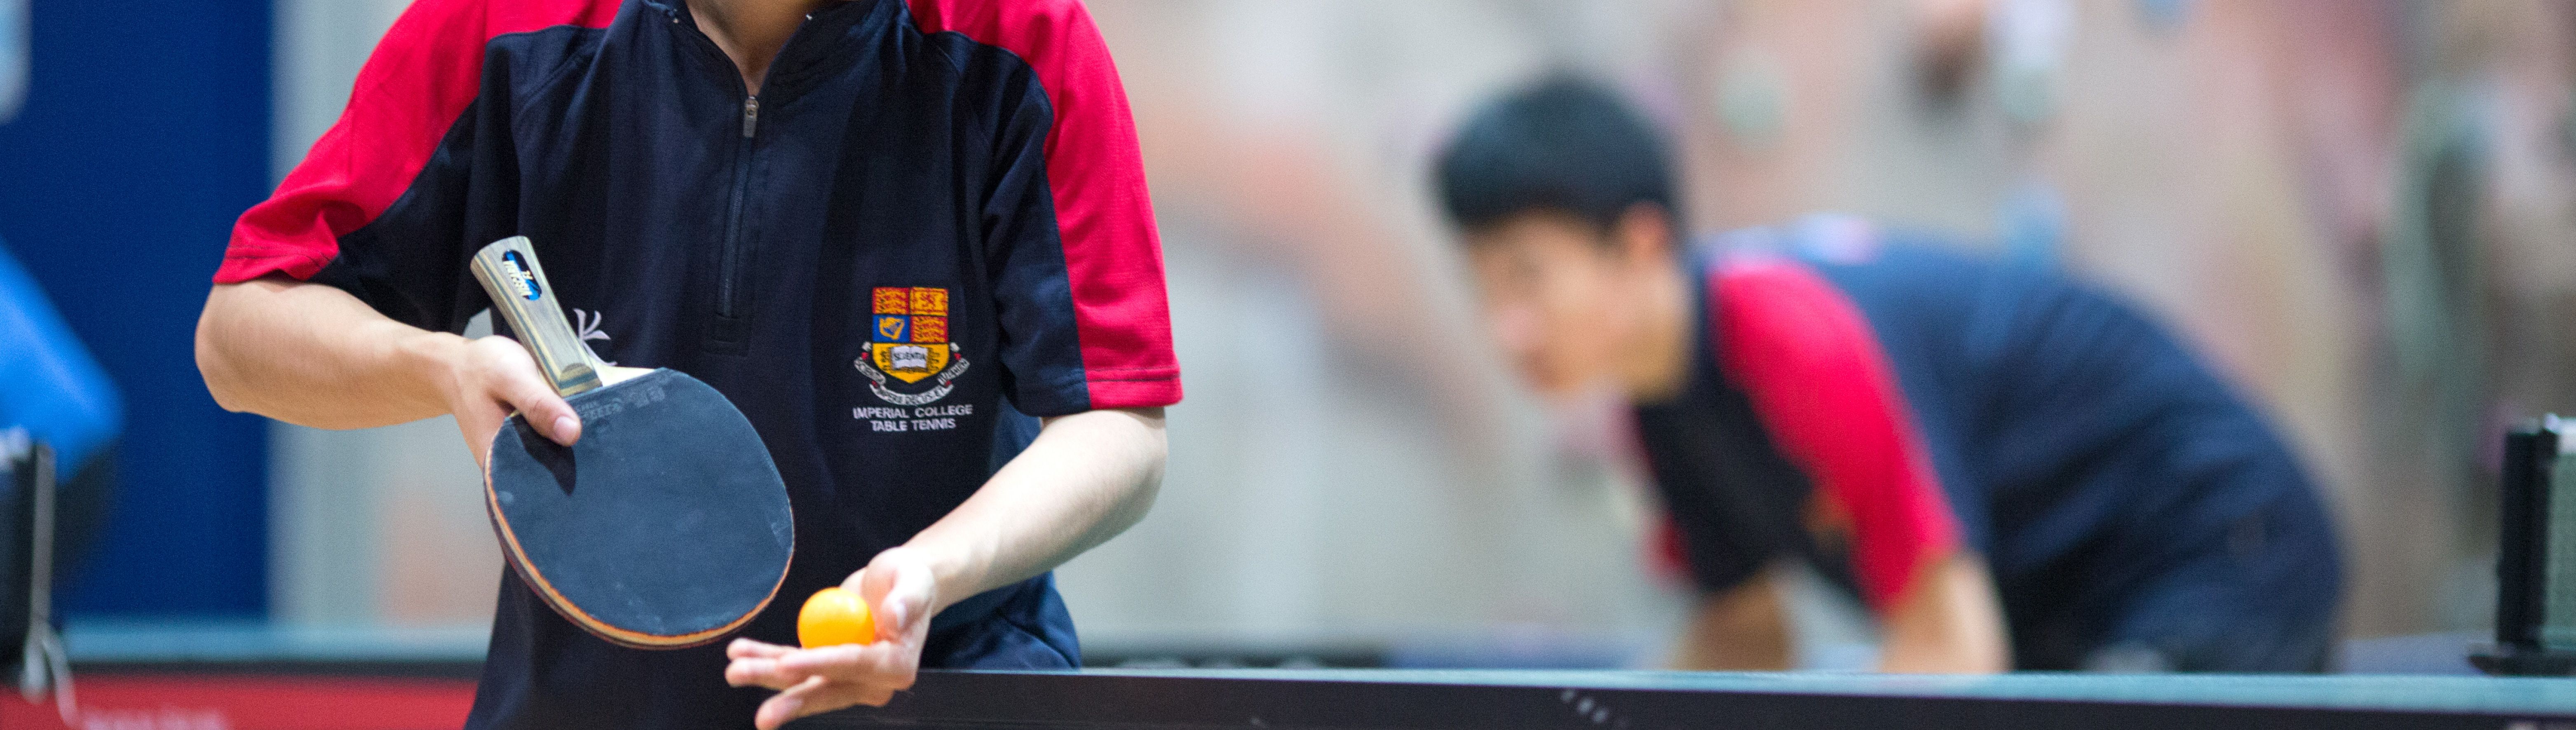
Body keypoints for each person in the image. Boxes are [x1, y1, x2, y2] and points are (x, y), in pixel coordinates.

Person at [193, 0, 1178, 728]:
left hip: (938, 692)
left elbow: (1117, 428)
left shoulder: (1019, 45)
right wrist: (443, 368)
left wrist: (929, 571)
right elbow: (240, 336)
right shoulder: (502, 29)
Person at [1431, 77, 2339, 673]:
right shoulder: (1659, 408)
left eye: (1527, 277)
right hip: (2069, 609)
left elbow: (1951, 649)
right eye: (1481, 288)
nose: (1503, 328)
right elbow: (1748, 634)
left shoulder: (1786, 336)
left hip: (2211, 540)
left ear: (1639, 245)